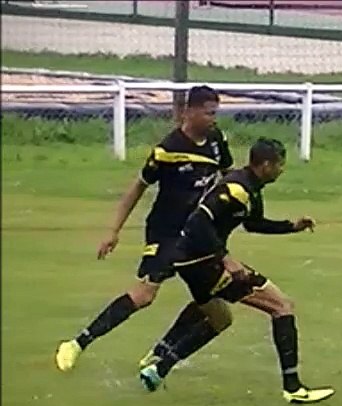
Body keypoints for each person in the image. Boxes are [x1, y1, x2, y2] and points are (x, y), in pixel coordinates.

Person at [138, 138, 334, 405]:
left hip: (189, 262)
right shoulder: (236, 187)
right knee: (281, 306)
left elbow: (253, 225)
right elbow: (199, 220)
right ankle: (294, 388)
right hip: (204, 262)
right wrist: (226, 259)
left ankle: (158, 368)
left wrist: (292, 226)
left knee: (220, 320)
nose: (281, 170)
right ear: (265, 165)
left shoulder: (251, 187)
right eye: (279, 164)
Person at [54, 85, 231, 373]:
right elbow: (138, 187)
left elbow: (225, 179)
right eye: (209, 113)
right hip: (166, 233)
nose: (213, 119)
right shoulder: (167, 151)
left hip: (196, 235)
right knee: (145, 294)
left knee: (218, 311)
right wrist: (114, 231)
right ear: (190, 111)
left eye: (215, 113)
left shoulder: (216, 140)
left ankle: (159, 354)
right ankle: (76, 344)